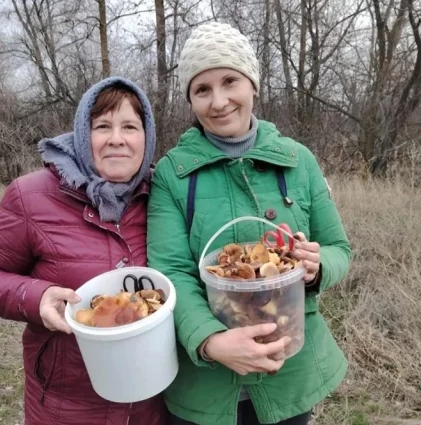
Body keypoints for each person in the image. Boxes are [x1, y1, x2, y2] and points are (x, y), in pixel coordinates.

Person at [146, 22, 352, 425]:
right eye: (202, 89)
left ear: (253, 85)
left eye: (229, 81)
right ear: (190, 100)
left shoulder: (298, 161)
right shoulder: (172, 173)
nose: (219, 101)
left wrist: (316, 266)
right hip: (204, 384)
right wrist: (211, 341)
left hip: (288, 371)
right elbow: (170, 271)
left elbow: (339, 249)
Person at [0, 76, 169, 425]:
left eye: (130, 126)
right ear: (82, 135)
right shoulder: (30, 196)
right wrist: (36, 296)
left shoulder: (163, 197)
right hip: (66, 406)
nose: (116, 139)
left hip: (150, 403)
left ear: (146, 138)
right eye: (102, 126)